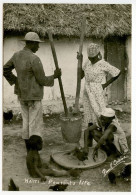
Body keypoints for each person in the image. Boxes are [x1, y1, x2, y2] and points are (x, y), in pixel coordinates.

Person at [3, 32, 61, 153]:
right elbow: (42, 80)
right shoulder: (34, 59)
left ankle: (28, 150)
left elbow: (5, 69)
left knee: (26, 122)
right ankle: (33, 152)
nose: (38, 47)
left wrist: (16, 81)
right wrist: (55, 76)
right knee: (34, 125)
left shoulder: (16, 55)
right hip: (34, 97)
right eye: (37, 44)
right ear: (32, 44)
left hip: (22, 95)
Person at [78, 43, 121, 127]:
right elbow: (80, 76)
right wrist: (81, 60)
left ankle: (108, 131)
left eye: (93, 58)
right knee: (88, 113)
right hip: (87, 90)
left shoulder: (103, 63)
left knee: (100, 111)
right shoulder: (87, 62)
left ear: (98, 55)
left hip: (97, 90)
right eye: (90, 57)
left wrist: (105, 85)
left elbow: (117, 72)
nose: (91, 60)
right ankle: (90, 132)